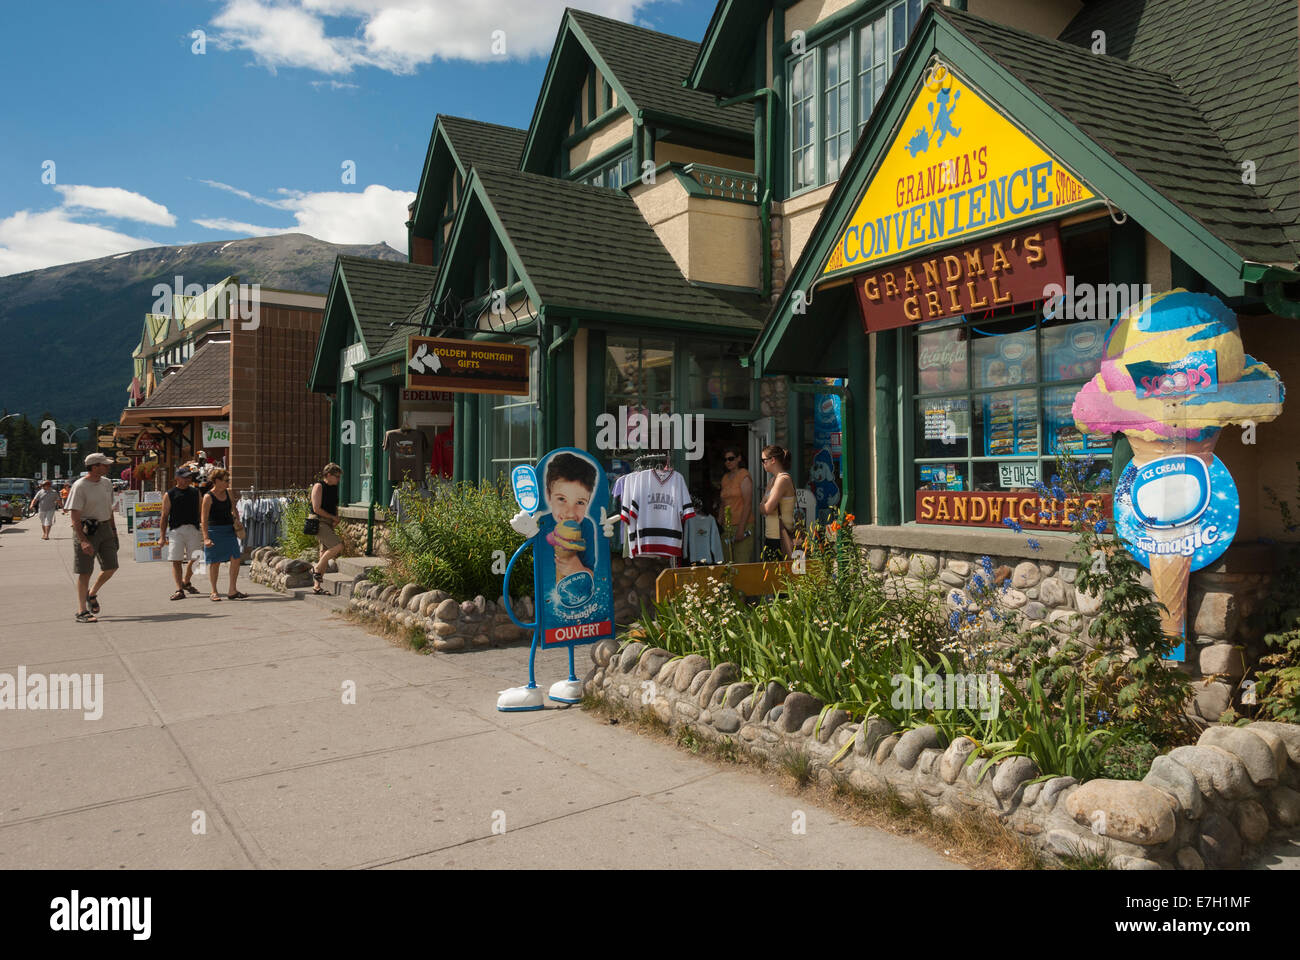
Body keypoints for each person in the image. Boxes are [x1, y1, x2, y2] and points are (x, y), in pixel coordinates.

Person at [68, 453, 119, 622]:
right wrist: (82, 540)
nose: (108, 467)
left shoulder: (107, 483)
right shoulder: (80, 486)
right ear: (94, 467)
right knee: (85, 571)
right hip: (86, 530)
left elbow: (109, 509)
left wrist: (114, 531)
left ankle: (92, 593)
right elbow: (75, 516)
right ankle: (81, 611)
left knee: (111, 566)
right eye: (104, 464)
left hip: (105, 528)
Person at [544, 453, 596, 582]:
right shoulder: (541, 524)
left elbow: (593, 575)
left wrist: (579, 569)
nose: (571, 513)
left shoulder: (587, 527)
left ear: (588, 502)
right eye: (562, 499)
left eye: (580, 502)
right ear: (549, 496)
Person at [201, 468, 247, 600]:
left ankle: (232, 590)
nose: (228, 483)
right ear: (217, 481)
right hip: (214, 531)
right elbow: (204, 519)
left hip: (229, 530)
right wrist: (206, 538)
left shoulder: (228, 492)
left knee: (236, 558)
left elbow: (234, 508)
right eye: (226, 480)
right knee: (215, 562)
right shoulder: (208, 497)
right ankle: (214, 591)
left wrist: (237, 520)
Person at [160, 467, 203, 600]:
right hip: (176, 530)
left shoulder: (196, 492)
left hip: (193, 528)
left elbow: (201, 511)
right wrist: (162, 536)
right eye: (184, 477)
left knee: (196, 558)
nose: (187, 480)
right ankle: (179, 589)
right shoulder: (170, 494)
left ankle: (186, 581)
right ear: (177, 478)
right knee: (176, 559)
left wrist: (204, 528)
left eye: (189, 477)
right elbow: (164, 516)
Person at [310, 463, 343, 595]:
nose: (338, 479)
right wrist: (332, 517)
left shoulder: (334, 488)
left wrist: (335, 519)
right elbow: (316, 508)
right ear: (328, 475)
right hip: (319, 521)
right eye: (337, 476)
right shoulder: (319, 486)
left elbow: (333, 506)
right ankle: (317, 568)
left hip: (329, 523)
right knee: (338, 546)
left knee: (323, 553)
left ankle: (317, 586)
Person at [759, 444, 795, 561]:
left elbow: (767, 508)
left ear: (773, 460)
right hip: (771, 536)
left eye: (763, 460)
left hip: (782, 538)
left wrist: (764, 505)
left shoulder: (783, 479)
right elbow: (763, 508)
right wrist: (764, 506)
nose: (762, 463)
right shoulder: (772, 480)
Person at [719, 446, 754, 563]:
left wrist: (741, 529)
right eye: (725, 460)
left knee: (741, 562)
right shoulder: (725, 478)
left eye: (731, 458)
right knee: (726, 563)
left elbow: (748, 503)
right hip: (727, 527)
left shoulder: (743, 475)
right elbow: (723, 503)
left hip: (742, 525)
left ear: (739, 458)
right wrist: (719, 525)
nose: (728, 462)